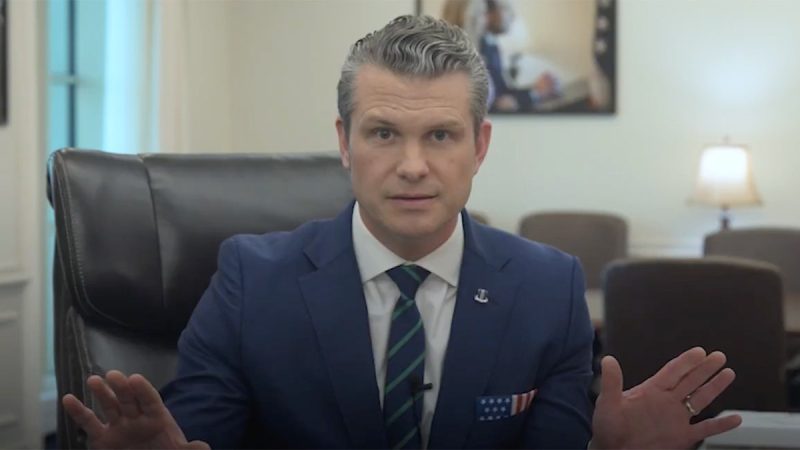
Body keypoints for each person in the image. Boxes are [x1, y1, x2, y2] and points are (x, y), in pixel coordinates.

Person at [62, 14, 742, 449]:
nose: (413, 165)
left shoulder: (549, 287)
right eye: (384, 133)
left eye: (440, 135)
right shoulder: (252, 279)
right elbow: (191, 437)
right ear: (345, 142)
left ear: (479, 146)